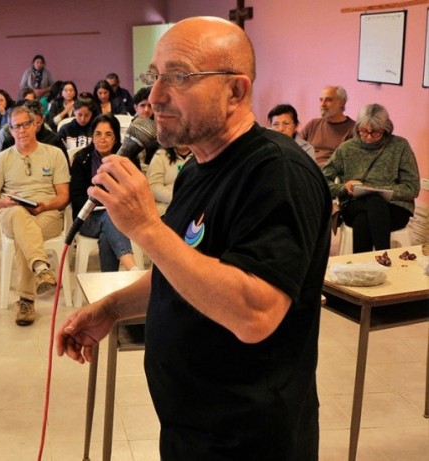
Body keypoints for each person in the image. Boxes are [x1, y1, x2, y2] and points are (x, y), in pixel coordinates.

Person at [57, 17, 331, 460]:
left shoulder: (277, 173)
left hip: (249, 439)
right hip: (191, 430)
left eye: (179, 77)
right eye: (154, 76)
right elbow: (181, 267)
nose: (154, 96)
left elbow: (255, 312)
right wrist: (111, 309)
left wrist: (145, 226)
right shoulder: (197, 168)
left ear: (235, 92)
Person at [0, 105, 70, 326]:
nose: (21, 130)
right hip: (10, 212)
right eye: (16, 126)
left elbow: (63, 197)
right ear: (10, 131)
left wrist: (45, 205)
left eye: (25, 124)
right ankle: (41, 267)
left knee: (25, 238)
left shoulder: (54, 153)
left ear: (35, 125)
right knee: (19, 215)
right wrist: (4, 202)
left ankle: (26, 301)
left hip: (47, 212)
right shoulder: (2, 159)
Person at [322, 103, 419, 253]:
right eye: (363, 131)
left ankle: (362, 269)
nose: (368, 137)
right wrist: (343, 188)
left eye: (375, 133)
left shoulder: (400, 146)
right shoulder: (346, 148)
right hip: (354, 204)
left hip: (395, 208)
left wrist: (380, 191)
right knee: (374, 203)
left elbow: (412, 188)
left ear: (386, 129)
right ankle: (383, 258)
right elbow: (321, 182)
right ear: (357, 128)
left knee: (366, 215)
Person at [69, 114, 139, 272]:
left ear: (115, 138)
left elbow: (134, 192)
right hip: (88, 218)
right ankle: (132, 268)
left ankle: (110, 289)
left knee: (108, 231)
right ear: (92, 137)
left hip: (121, 216)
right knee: (110, 218)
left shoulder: (127, 159)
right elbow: (77, 197)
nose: (102, 139)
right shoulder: (81, 159)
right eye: (98, 134)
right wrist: (106, 202)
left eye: (108, 134)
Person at [299, 85, 355, 167]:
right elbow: (295, 149)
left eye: (328, 100)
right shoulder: (313, 124)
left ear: (341, 103)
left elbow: (350, 162)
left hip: (331, 173)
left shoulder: (353, 129)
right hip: (307, 168)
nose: (323, 104)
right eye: (321, 100)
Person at [0, 100, 67, 162]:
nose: (33, 127)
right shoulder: (9, 138)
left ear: (42, 120)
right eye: (26, 124)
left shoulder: (54, 140)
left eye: (37, 123)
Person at [147, 145, 193, 215]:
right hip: (165, 209)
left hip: (193, 208)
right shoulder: (161, 155)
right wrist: (178, 198)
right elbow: (153, 186)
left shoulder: (201, 155)